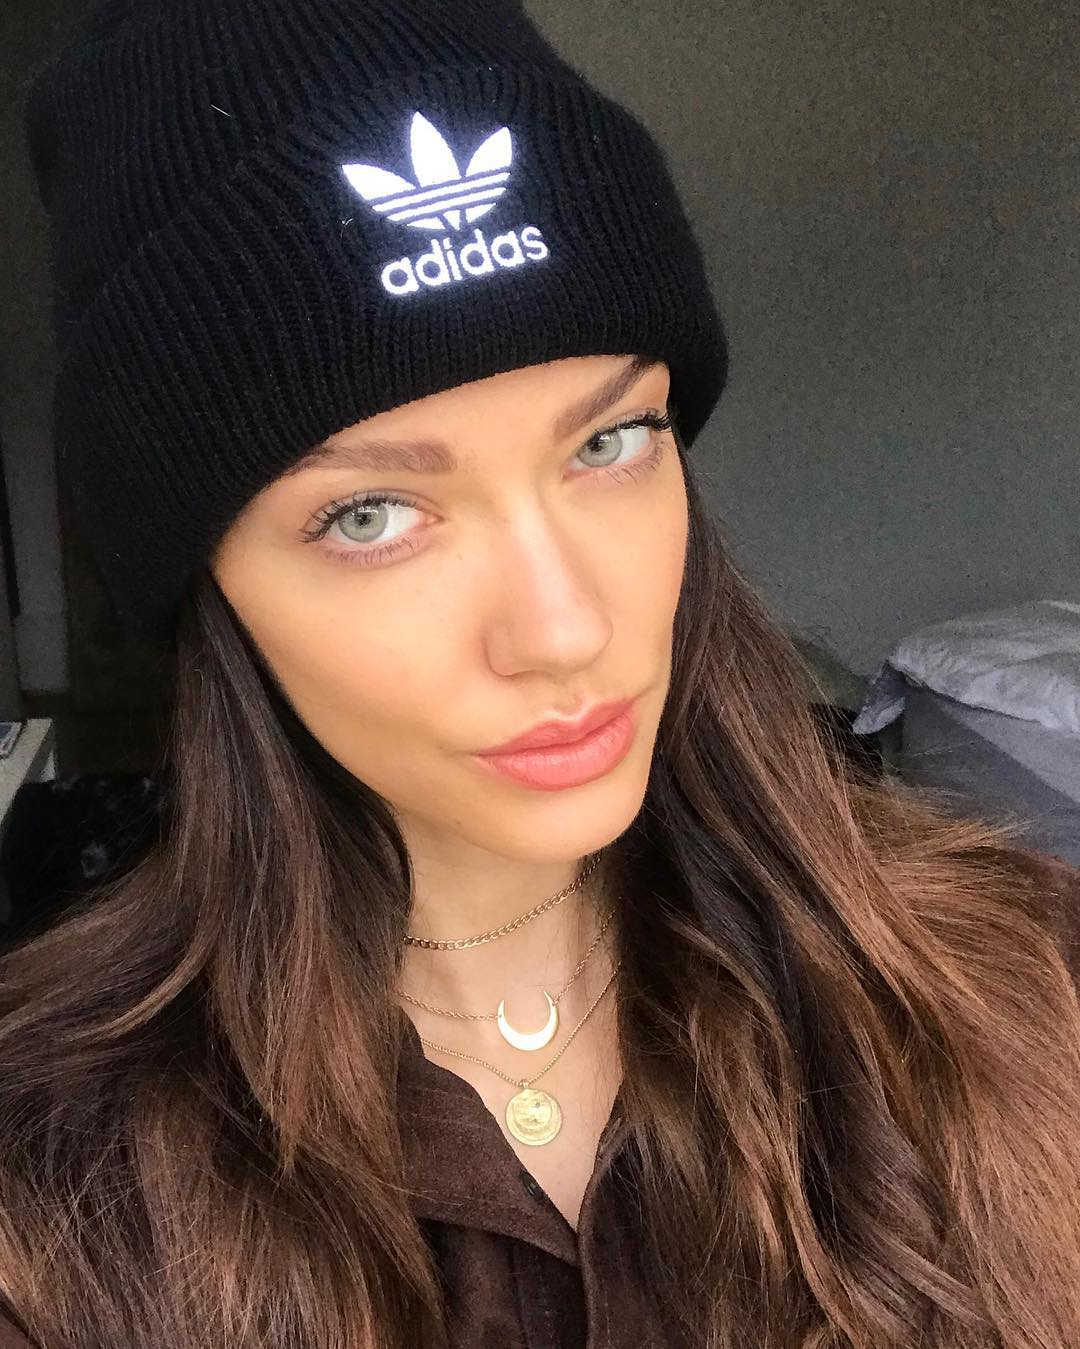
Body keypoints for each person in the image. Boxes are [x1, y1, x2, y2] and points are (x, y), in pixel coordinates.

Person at [3, 1, 1080, 1345]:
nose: (565, 629)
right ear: (207, 584)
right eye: (371, 515)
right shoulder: (53, 1203)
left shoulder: (1024, 985)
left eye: (610, 442)